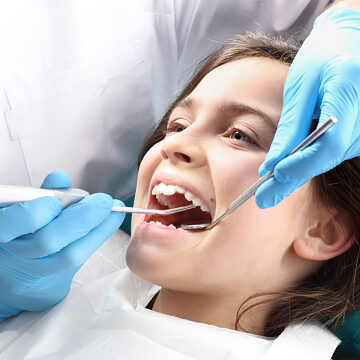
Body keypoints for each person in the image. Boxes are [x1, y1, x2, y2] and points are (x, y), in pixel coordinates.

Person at [1, 0, 360, 331]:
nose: (174, 144)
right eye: (177, 126)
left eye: (240, 134)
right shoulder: (48, 299)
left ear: (323, 231)